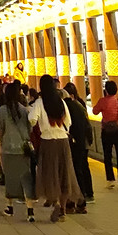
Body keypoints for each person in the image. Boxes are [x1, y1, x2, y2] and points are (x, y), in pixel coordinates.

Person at [28, 74, 83, 222]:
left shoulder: (40, 103)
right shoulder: (61, 102)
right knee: (65, 174)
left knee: (50, 175)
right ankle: (63, 209)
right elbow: (69, 122)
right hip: (63, 142)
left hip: (48, 142)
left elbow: (32, 120)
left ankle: (56, 203)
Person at [0, 79, 36, 221]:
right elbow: (30, 129)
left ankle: (9, 207)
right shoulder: (25, 110)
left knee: (11, 179)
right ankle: (30, 211)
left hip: (8, 149)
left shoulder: (2, 110)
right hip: (23, 149)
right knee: (26, 178)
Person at [92, 80, 118, 190]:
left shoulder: (103, 101)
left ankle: (110, 180)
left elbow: (95, 111)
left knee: (107, 156)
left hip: (107, 131)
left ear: (106, 90)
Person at [62, 83, 94, 207]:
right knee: (83, 166)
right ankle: (87, 193)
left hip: (77, 141)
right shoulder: (80, 105)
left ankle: (80, 195)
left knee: (77, 168)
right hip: (83, 140)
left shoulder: (69, 107)